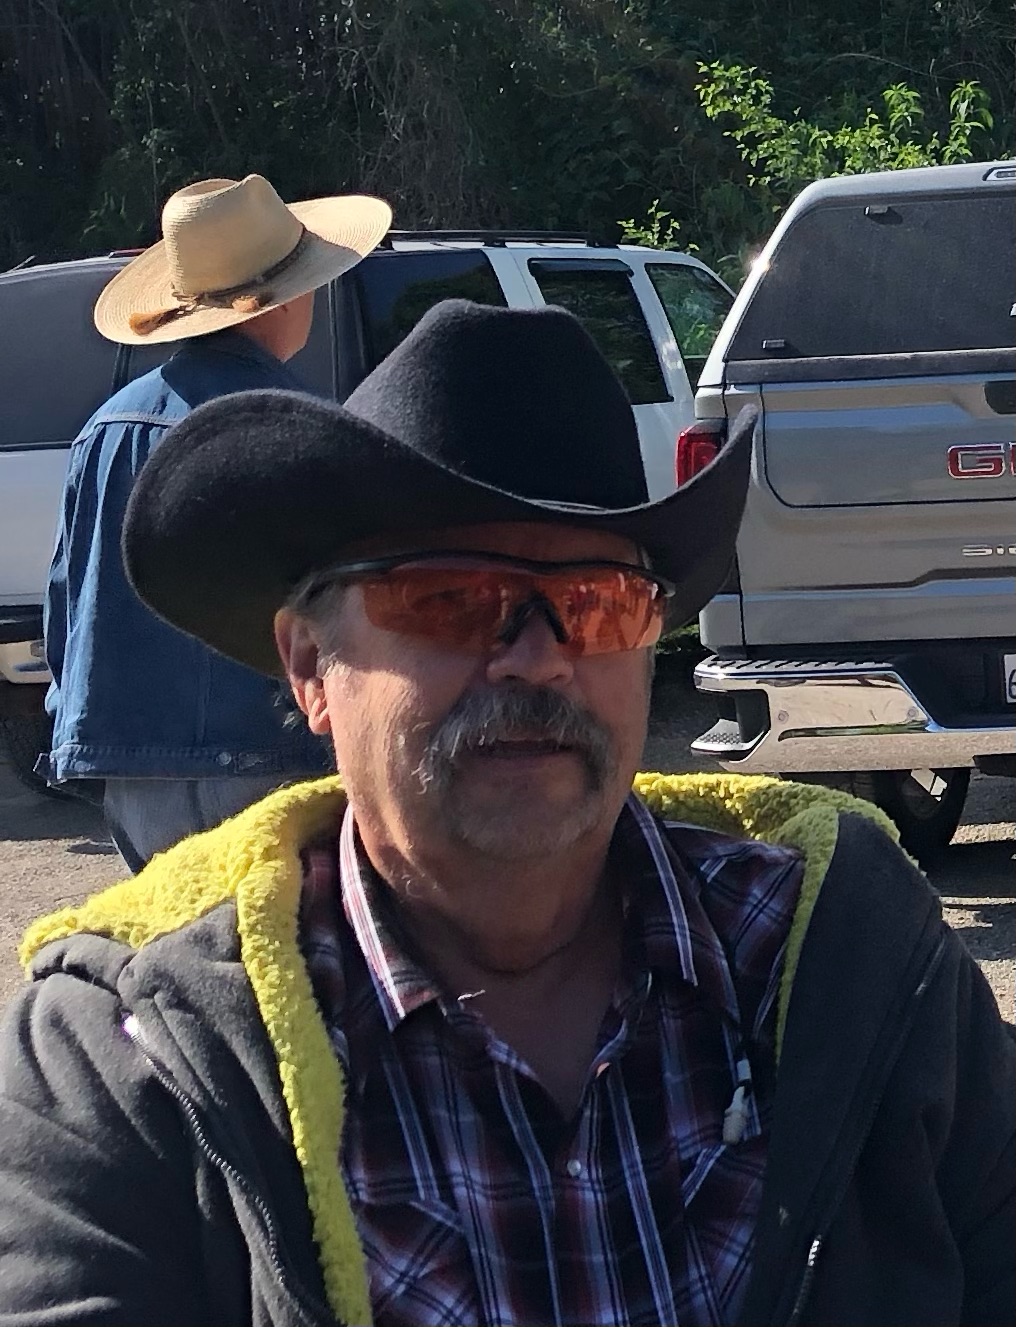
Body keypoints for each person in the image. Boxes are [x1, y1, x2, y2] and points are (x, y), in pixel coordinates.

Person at [1, 301, 1012, 1326]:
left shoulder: (853, 961)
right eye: (450, 599)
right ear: (310, 664)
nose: (538, 657)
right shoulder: (129, 1056)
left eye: (597, 603)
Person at [40, 173, 392, 871]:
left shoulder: (107, 430)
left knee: (171, 938)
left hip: (135, 768)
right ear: (283, 297)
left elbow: (67, 606)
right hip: (273, 751)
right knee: (280, 938)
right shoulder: (304, 427)